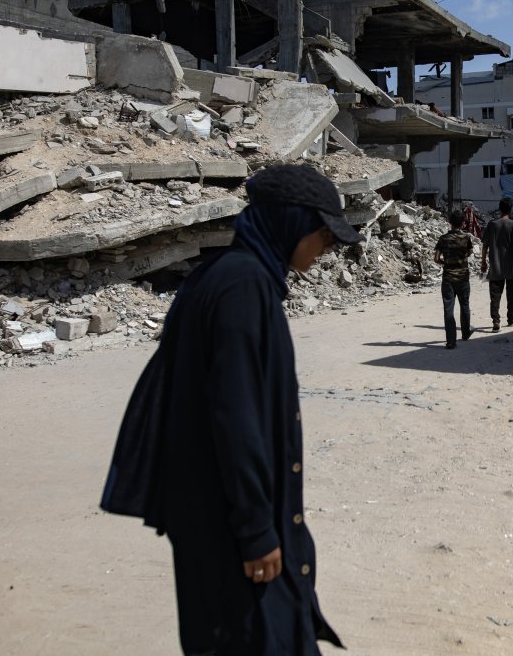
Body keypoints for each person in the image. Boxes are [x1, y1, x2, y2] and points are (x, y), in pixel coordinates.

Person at [100, 165, 359, 655]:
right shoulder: (243, 287)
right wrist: (257, 531)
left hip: (217, 514)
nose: (327, 247)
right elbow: (235, 416)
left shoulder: (237, 276)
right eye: (323, 233)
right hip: (227, 524)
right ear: (290, 222)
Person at [480, 197, 513, 332]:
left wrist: (483, 262)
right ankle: (511, 319)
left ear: (500, 208)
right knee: (512, 295)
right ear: (510, 209)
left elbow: (484, 246)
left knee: (495, 296)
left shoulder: (492, 225)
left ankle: (496, 321)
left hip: (495, 267)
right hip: (510, 266)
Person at [434, 210, 475, 348]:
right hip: (463, 276)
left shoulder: (443, 239)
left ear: (450, 223)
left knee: (448, 308)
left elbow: (436, 258)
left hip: (448, 278)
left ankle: (451, 341)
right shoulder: (466, 238)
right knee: (464, 304)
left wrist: (445, 263)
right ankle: (466, 332)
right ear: (462, 223)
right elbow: (469, 252)